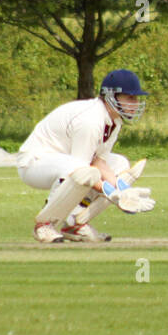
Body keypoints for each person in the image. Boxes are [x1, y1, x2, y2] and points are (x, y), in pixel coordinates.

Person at [17, 69, 155, 243]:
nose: (135, 103)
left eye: (136, 98)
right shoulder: (90, 120)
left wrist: (123, 190)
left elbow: (99, 161)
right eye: (130, 98)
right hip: (35, 163)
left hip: (64, 160)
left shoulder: (114, 121)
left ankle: (74, 224)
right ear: (111, 96)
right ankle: (44, 225)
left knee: (119, 164)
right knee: (80, 171)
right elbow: (82, 171)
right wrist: (113, 193)